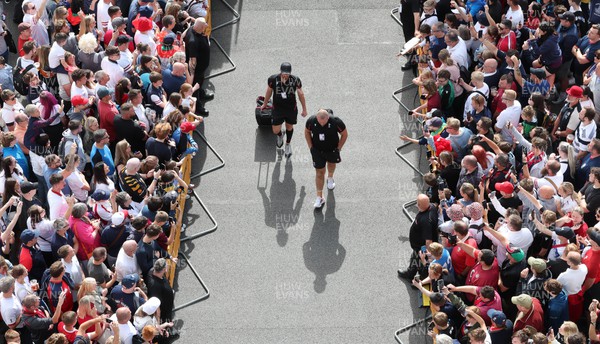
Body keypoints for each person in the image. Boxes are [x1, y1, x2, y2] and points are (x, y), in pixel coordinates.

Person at [261, 62, 308, 157]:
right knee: (275, 130)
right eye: (284, 73)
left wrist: (304, 109)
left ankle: (287, 144)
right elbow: (269, 91)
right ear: (280, 71)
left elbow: (301, 94)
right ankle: (280, 135)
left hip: (291, 108)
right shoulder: (273, 79)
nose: (285, 75)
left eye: (287, 73)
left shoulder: (295, 80)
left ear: (290, 72)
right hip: (277, 108)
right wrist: (265, 104)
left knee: (289, 127)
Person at [304, 109, 348, 208]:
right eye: (320, 122)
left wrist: (338, 149)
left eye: (324, 122)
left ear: (328, 117)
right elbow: (307, 132)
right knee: (319, 173)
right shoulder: (311, 121)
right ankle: (320, 197)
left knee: (331, 165)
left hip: (332, 150)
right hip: (317, 151)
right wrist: (311, 147)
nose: (322, 124)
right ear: (317, 118)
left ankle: (330, 177)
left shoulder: (336, 122)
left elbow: (344, 134)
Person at [398, 194, 438, 280]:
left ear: (419, 205)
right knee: (415, 260)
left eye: (417, 202)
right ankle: (413, 274)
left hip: (421, 247)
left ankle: (415, 278)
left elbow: (428, 241)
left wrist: (427, 255)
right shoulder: (432, 207)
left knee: (419, 262)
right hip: (419, 245)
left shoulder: (426, 221)